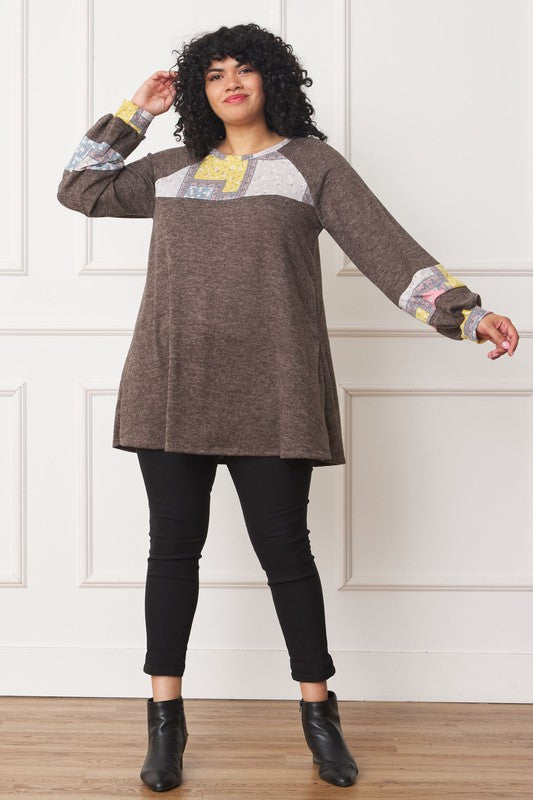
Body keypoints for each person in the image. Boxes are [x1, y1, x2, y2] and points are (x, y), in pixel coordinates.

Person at [56, 21, 519, 793]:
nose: (230, 83)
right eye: (213, 74)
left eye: (243, 69)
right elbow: (79, 188)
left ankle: (318, 713)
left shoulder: (310, 165)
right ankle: (165, 721)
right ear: (198, 92)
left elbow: (385, 248)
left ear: (271, 79)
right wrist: (135, 111)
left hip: (272, 388)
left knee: (285, 554)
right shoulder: (171, 169)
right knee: (172, 551)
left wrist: (466, 314)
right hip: (169, 384)